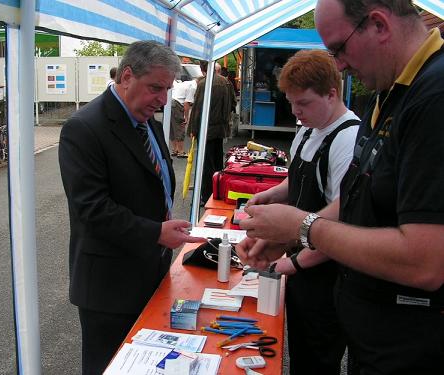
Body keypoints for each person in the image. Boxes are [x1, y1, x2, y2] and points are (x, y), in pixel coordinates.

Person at [237, 1, 444, 374]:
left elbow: (425, 261)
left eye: (339, 49)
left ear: (379, 24)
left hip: (413, 348)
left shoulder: (434, 98)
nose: (340, 65)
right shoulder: (390, 92)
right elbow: (354, 198)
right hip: (375, 337)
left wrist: (303, 228)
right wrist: (285, 233)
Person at [58, 40, 204, 375]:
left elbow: (152, 184)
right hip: (109, 289)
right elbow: (91, 209)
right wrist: (155, 233)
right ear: (127, 76)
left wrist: (165, 223)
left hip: (150, 273)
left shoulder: (146, 120)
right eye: (156, 87)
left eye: (167, 89)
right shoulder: (83, 128)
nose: (163, 100)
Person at [244, 49, 359, 375]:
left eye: (303, 103)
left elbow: (343, 218)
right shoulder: (308, 129)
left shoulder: (347, 138)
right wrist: (269, 195)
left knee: (317, 360)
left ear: (332, 93)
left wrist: (290, 263)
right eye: (291, 103)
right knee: (299, 351)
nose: (295, 112)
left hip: (326, 277)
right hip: (298, 267)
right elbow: (299, 181)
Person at [188, 61, 236, 205]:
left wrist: (193, 130)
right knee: (217, 163)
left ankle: (206, 196)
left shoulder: (204, 83)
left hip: (206, 129)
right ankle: (218, 191)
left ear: (203, 69)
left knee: (206, 164)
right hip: (220, 128)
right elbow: (233, 104)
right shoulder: (226, 83)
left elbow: (197, 109)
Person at [169, 76, 196, 158]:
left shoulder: (185, 84)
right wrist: (186, 117)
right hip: (177, 104)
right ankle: (181, 151)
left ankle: (175, 149)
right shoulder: (193, 87)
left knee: (172, 128)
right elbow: (186, 103)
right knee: (180, 126)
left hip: (170, 102)